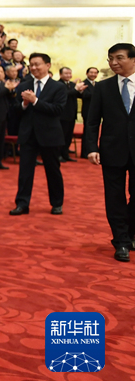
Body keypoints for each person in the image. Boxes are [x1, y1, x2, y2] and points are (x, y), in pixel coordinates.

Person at [84, 43, 135, 262]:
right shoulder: (103, 88)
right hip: (112, 150)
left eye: (119, 58)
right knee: (114, 197)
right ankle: (121, 241)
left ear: (133, 59)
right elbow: (92, 121)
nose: (114, 63)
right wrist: (91, 148)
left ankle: (131, 232)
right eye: (110, 59)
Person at [9, 53, 67, 216]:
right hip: (28, 134)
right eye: (31, 65)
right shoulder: (23, 85)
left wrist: (35, 101)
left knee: (53, 170)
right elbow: (14, 111)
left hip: (50, 135)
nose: (33, 68)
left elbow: (57, 110)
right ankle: (22, 203)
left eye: (37, 64)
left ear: (48, 65)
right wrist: (24, 104)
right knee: (25, 172)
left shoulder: (58, 87)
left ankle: (57, 203)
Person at [58, 67, 79, 162]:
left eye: (70, 73)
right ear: (60, 74)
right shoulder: (58, 84)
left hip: (71, 114)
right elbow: (65, 94)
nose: (68, 75)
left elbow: (76, 95)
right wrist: (76, 89)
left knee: (68, 136)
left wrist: (80, 90)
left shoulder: (72, 84)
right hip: (62, 115)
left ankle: (65, 154)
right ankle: (58, 155)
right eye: (66, 73)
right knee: (61, 136)